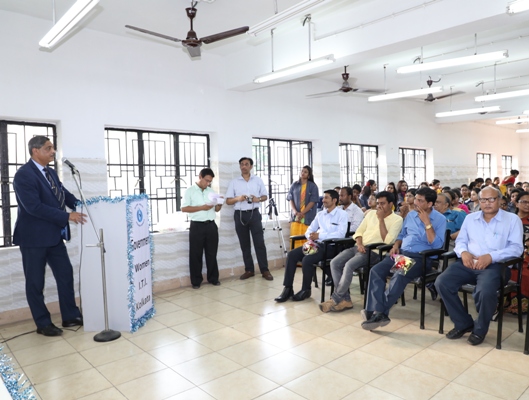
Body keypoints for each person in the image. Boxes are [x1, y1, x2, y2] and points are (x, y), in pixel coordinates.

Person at [13, 136, 86, 337]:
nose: (53, 151)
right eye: (48, 148)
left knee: (65, 274)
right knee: (35, 282)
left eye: (52, 148)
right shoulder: (23, 175)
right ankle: (43, 323)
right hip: (33, 239)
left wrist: (82, 204)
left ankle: (70, 315)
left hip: (54, 237)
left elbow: (63, 194)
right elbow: (33, 207)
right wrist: (67, 216)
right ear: (35, 151)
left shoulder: (51, 172)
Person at [435, 187, 523, 346]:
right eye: (483, 200)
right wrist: (463, 253)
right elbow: (460, 241)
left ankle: (480, 329)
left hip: (497, 266)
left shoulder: (512, 219)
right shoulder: (471, 218)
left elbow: (517, 249)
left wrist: (491, 257)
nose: (487, 203)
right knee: (442, 282)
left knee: (483, 291)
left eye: (492, 199)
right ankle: (463, 323)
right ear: (479, 201)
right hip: (468, 263)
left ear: (500, 200)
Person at [361, 187, 446, 330]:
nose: (415, 202)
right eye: (416, 199)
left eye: (420, 200)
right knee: (376, 270)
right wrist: (396, 244)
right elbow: (401, 235)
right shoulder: (411, 215)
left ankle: (379, 312)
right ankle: (376, 310)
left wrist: (427, 223)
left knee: (399, 273)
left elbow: (437, 244)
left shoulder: (440, 219)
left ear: (430, 204)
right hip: (402, 253)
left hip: (421, 258)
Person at [321, 191, 403, 313]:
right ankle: (346, 300)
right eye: (378, 203)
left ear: (391, 204)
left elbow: (388, 241)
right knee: (335, 263)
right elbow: (358, 232)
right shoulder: (370, 214)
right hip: (358, 247)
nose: (379, 206)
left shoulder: (397, 219)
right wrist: (359, 244)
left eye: (383, 203)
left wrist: (381, 220)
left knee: (349, 265)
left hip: (374, 252)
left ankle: (336, 299)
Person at [275, 190, 348, 302]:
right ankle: (288, 288)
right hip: (316, 245)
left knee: (307, 260)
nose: (323, 200)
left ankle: (306, 290)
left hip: (331, 247)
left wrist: (320, 235)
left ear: (334, 200)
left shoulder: (342, 214)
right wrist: (311, 236)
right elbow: (309, 230)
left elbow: (341, 234)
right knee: (292, 255)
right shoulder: (320, 214)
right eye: (323, 198)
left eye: (326, 198)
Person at [225, 157, 273, 281]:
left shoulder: (257, 180)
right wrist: (237, 199)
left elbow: (265, 196)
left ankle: (265, 270)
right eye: (241, 164)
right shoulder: (234, 182)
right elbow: (228, 201)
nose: (244, 166)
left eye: (246, 164)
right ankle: (249, 270)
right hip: (240, 215)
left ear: (251, 166)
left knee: (259, 243)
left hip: (254, 214)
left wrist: (258, 199)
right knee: (244, 244)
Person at [181, 168, 223, 289]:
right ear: (200, 177)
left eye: (210, 181)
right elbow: (184, 208)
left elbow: (216, 209)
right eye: (206, 180)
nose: (208, 183)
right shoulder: (190, 191)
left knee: (212, 253)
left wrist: (219, 204)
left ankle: (213, 278)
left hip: (211, 225)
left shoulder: (211, 191)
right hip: (197, 226)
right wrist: (201, 208)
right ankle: (196, 281)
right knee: (195, 254)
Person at [287, 166, 319, 249]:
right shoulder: (294, 185)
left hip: (307, 217)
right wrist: (295, 212)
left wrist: (302, 213)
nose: (303, 173)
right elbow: (290, 199)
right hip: (296, 217)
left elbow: (313, 201)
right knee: (295, 239)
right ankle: (295, 260)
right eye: (302, 171)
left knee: (306, 240)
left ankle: (305, 260)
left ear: (309, 175)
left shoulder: (313, 186)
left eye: (305, 172)